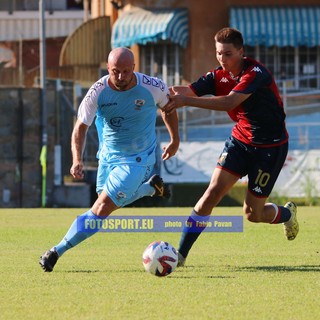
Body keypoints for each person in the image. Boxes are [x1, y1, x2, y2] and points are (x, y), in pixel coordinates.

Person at [163, 27, 299, 267]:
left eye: (227, 54)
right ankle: (180, 256)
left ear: (241, 52)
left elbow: (229, 101)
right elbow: (186, 91)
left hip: (270, 148)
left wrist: (186, 101)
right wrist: (161, 93)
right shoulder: (217, 76)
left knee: (252, 214)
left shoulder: (256, 73)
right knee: (211, 194)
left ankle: (287, 214)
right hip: (240, 141)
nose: (222, 59)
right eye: (218, 53)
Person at [39, 47, 180, 272]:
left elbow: (169, 108)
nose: (122, 77)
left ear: (134, 68)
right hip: (108, 157)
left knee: (102, 208)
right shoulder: (97, 92)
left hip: (138, 159)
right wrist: (77, 159)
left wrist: (175, 140)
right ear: (108, 68)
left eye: (126, 71)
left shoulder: (152, 87)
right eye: (116, 72)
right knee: (106, 203)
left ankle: (57, 251)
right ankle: (150, 189)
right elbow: (80, 128)